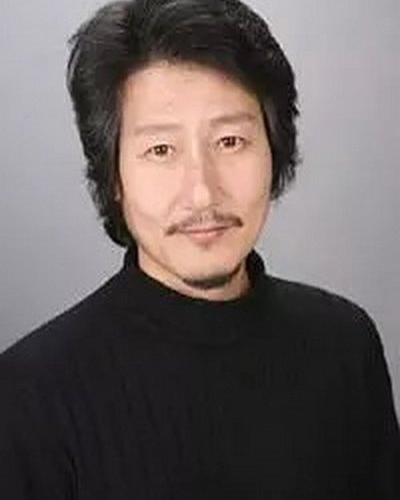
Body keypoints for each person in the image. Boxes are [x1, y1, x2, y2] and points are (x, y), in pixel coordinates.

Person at [1, 0, 399, 498]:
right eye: (160, 150)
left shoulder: (345, 345)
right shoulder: (29, 394)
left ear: (274, 150)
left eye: (230, 141)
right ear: (114, 179)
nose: (203, 194)